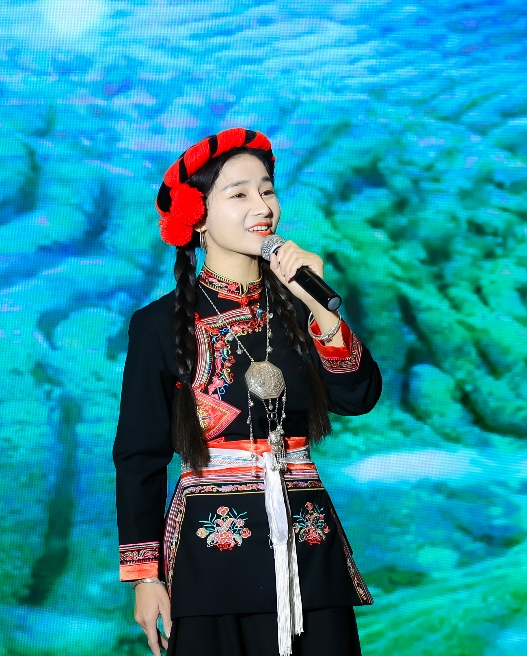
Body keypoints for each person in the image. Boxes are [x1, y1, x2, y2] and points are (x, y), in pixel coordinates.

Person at [113, 128, 382, 656]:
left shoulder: (301, 308)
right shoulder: (158, 325)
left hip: (309, 544)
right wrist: (145, 576)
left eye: (267, 190)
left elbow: (358, 397)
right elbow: (140, 455)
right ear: (197, 216)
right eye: (238, 194)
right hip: (211, 555)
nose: (262, 207)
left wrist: (321, 310)